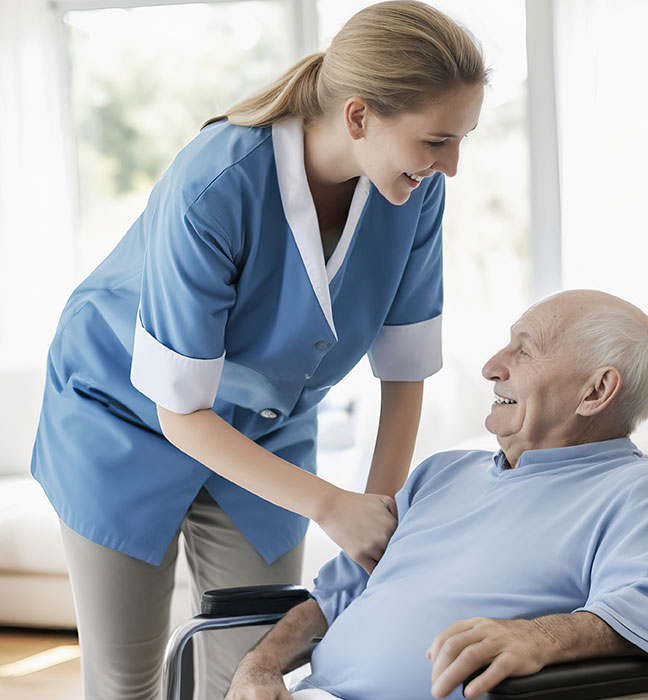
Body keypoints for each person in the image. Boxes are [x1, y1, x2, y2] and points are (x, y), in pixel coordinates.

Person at [30, 2, 487, 698]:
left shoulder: (415, 192)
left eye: (461, 140)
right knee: (126, 678)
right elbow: (179, 411)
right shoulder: (218, 183)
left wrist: (377, 513)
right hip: (120, 417)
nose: (451, 166)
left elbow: (404, 370)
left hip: (266, 428)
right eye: (436, 141)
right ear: (359, 117)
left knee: (253, 674)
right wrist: (331, 505)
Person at [225, 289, 648, 700]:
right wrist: (260, 667)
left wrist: (541, 636)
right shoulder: (441, 474)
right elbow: (334, 595)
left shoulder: (640, 489)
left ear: (595, 391)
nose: (491, 367)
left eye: (524, 350)